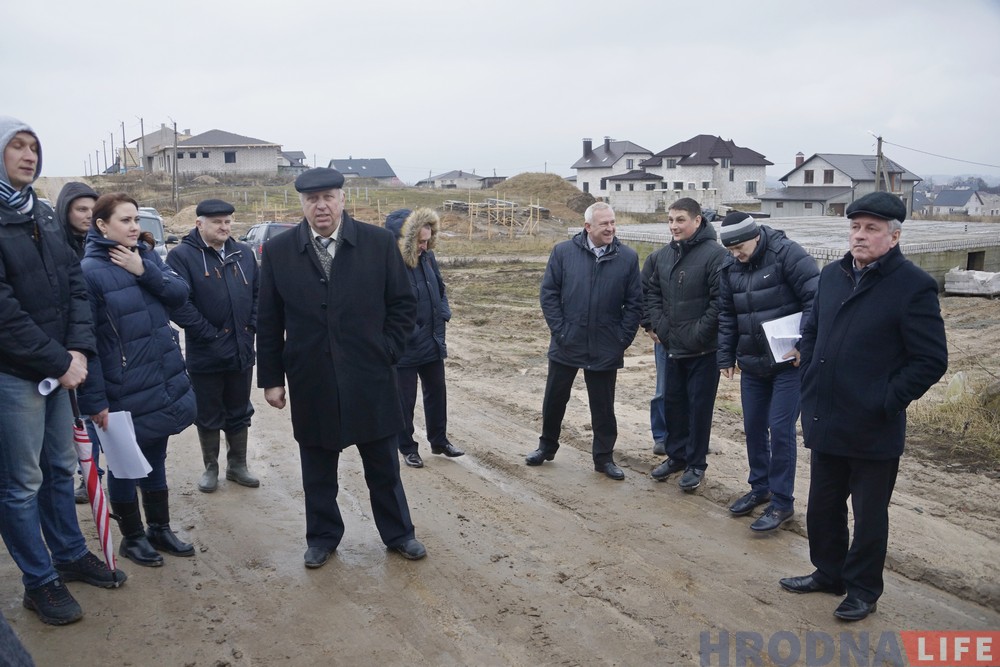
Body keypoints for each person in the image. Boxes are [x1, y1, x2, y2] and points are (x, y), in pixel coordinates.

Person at [779, 192, 947, 621]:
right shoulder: (833, 275)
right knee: (822, 506)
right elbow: (813, 329)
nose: (860, 235)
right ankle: (829, 572)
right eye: (855, 227)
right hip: (826, 414)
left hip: (873, 425)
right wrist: (811, 377)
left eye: (872, 229)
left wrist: (885, 400)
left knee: (869, 516)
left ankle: (863, 590)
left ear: (894, 236)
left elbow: (930, 360)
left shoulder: (913, 286)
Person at [256, 167, 426, 568]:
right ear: (301, 204)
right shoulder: (280, 252)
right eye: (312, 199)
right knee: (317, 468)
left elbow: (404, 305)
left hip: (370, 375)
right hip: (311, 377)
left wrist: (386, 350)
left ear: (342, 199)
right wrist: (271, 379)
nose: (321, 206)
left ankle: (399, 532)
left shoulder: (378, 243)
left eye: (329, 197)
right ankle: (323, 537)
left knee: (382, 464)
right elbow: (268, 319)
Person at [0, 117, 125, 627]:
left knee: (58, 468)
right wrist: (60, 360)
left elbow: (74, 285)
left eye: (34, 147)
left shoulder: (43, 216)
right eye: (17, 147)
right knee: (20, 482)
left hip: (59, 368)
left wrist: (77, 350)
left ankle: (70, 554)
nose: (29, 156)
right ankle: (39, 579)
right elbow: (3, 310)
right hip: (14, 373)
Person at [78, 192, 197, 568]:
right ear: (102, 225)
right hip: (121, 388)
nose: (134, 227)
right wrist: (94, 400)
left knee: (156, 456)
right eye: (125, 221)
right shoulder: (89, 272)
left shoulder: (144, 256)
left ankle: (159, 528)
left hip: (158, 378)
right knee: (125, 465)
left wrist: (143, 270)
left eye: (136, 220)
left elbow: (180, 293)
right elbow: (87, 343)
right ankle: (132, 536)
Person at [716, 212, 819, 531]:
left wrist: (805, 345)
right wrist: (725, 356)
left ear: (756, 236)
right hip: (752, 362)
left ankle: (782, 502)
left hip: (789, 362)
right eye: (730, 250)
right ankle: (759, 488)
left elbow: (816, 299)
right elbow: (727, 314)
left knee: (780, 428)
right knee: (754, 426)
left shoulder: (788, 254)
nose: (736, 255)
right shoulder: (730, 266)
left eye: (739, 248)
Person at [525, 202, 643, 480]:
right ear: (588, 227)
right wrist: (560, 331)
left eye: (613, 223)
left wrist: (621, 339)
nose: (611, 228)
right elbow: (549, 294)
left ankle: (604, 458)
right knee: (554, 399)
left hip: (606, 345)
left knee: (603, 406)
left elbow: (635, 304)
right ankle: (546, 447)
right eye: (604, 224)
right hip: (568, 341)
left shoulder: (627, 258)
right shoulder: (563, 252)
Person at [167, 199, 260, 493]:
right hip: (206, 352)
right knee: (207, 412)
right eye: (217, 222)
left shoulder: (243, 252)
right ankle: (211, 467)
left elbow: (259, 293)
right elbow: (179, 304)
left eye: (228, 222)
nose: (224, 227)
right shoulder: (182, 257)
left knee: (239, 409)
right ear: (200, 224)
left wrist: (251, 325)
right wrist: (209, 334)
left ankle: (238, 465)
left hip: (241, 349)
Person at [646, 198, 728, 491]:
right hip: (672, 347)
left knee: (699, 408)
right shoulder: (662, 257)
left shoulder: (716, 256)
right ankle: (676, 456)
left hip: (703, 350)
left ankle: (696, 464)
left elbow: (720, 304)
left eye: (680, 220)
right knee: (674, 403)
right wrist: (659, 326)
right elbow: (652, 292)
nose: (674, 226)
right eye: (670, 220)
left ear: (697, 221)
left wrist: (696, 334)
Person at [384, 208, 464, 469]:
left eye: (427, 240)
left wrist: (443, 312)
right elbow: (381, 306)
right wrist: (406, 332)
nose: (424, 246)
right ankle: (407, 447)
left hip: (431, 340)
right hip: (405, 346)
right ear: (403, 239)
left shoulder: (428, 258)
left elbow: (439, 287)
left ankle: (439, 441)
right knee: (404, 400)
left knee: (437, 392)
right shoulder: (388, 264)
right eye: (419, 241)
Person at [54, 181, 103, 504]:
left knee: (103, 413)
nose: (87, 216)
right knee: (81, 414)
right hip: (71, 346)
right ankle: (89, 475)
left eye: (92, 210)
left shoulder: (103, 245)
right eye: (80, 209)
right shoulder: (55, 246)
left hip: (104, 342)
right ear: (66, 211)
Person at [640, 246, 669, 456]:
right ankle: (661, 436)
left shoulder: (710, 255)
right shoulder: (657, 258)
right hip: (664, 338)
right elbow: (643, 293)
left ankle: (693, 439)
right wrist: (650, 325)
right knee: (663, 389)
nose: (675, 226)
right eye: (671, 221)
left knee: (694, 394)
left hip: (698, 340)